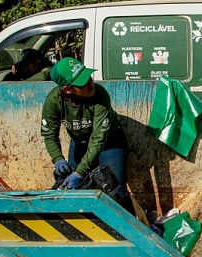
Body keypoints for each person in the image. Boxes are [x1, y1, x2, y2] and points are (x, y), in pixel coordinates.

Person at [40, 57, 133, 212]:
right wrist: (58, 160)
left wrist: (79, 172)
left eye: (88, 77)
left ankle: (128, 231)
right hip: (80, 142)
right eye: (82, 82)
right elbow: (49, 134)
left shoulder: (100, 96)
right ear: (67, 90)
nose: (90, 83)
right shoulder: (54, 101)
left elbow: (98, 140)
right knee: (75, 189)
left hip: (109, 142)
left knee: (115, 190)